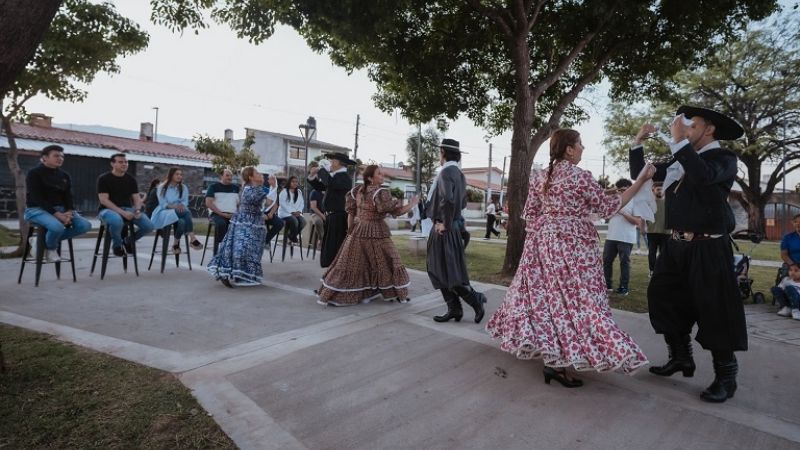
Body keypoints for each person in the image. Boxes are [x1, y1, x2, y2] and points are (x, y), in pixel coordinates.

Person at [486, 129, 653, 387]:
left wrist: (549, 228)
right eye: (581, 144)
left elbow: (530, 212)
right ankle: (559, 363)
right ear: (569, 149)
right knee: (578, 304)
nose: (583, 148)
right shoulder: (580, 176)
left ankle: (555, 362)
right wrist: (641, 181)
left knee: (552, 305)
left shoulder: (541, 175)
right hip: (573, 249)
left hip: (542, 246)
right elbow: (609, 207)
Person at [630, 106, 747, 403]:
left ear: (709, 129)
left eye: (690, 126)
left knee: (714, 309)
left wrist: (679, 141)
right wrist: (637, 142)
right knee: (664, 299)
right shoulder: (682, 160)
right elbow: (641, 175)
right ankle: (681, 357)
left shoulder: (723, 159)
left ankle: (726, 377)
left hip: (708, 247)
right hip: (676, 245)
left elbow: (703, 176)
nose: (683, 131)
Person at [317, 165, 419, 306]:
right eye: (379, 174)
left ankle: (371, 292)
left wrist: (350, 230)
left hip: (358, 230)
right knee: (390, 260)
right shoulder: (380, 193)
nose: (382, 176)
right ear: (370, 178)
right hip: (376, 231)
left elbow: (351, 213)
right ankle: (396, 294)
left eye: (382, 174)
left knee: (356, 263)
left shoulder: (357, 191)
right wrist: (412, 203)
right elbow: (397, 211)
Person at [425, 138, 487, 324]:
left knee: (438, 269)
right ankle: (455, 309)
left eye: (439, 152)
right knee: (445, 270)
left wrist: (444, 222)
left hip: (443, 227)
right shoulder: (458, 173)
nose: (438, 155)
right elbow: (462, 202)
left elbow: (449, 200)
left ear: (443, 152)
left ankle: (473, 300)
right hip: (450, 226)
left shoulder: (445, 172)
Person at [24, 145, 91, 262]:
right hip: (36, 209)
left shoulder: (64, 175)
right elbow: (37, 198)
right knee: (57, 227)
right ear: (45, 157)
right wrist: (58, 215)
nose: (60, 158)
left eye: (62, 156)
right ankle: (51, 248)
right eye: (56, 156)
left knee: (85, 226)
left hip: (62, 209)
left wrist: (69, 211)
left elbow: (68, 196)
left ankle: (40, 241)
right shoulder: (34, 173)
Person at [207, 166, 268, 287]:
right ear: (251, 177)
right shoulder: (249, 189)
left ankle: (243, 275)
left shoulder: (256, 188)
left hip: (254, 223)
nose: (260, 174)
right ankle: (227, 272)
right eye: (257, 173)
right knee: (239, 248)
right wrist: (272, 189)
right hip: (245, 222)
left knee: (251, 250)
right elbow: (263, 200)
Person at [97, 153, 154, 256]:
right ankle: (117, 245)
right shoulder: (104, 178)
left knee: (149, 226)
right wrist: (123, 213)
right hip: (107, 210)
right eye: (120, 162)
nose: (124, 164)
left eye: (126, 162)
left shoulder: (130, 179)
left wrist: (137, 210)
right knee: (116, 220)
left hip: (127, 209)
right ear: (112, 164)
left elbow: (136, 199)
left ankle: (128, 241)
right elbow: (104, 200)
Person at [308, 152, 357, 268]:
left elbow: (330, 183)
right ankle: (331, 276)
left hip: (338, 217)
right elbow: (321, 186)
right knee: (330, 247)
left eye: (332, 161)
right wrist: (312, 176)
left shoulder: (344, 178)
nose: (330, 163)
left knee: (334, 247)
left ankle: (334, 275)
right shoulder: (334, 177)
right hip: (331, 217)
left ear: (337, 163)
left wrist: (321, 170)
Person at [149, 167, 203, 255]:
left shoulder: (183, 187)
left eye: (181, 174)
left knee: (182, 221)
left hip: (180, 211)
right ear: (171, 175)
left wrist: (181, 205)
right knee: (186, 212)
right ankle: (192, 238)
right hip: (164, 212)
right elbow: (163, 204)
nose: (179, 176)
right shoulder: (162, 187)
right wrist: (175, 206)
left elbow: (185, 202)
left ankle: (175, 244)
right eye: (177, 174)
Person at [602, 178, 641, 296]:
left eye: (625, 189)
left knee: (624, 263)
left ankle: (624, 287)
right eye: (620, 189)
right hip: (611, 236)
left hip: (626, 238)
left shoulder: (636, 201)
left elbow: (637, 221)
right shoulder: (613, 201)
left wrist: (622, 212)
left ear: (630, 188)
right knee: (607, 261)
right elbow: (605, 216)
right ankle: (607, 285)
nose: (622, 191)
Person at [205, 169, 240, 255]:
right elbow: (208, 203)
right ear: (221, 176)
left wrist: (235, 214)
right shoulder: (213, 187)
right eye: (227, 175)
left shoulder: (236, 188)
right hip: (216, 214)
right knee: (221, 223)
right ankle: (221, 251)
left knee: (242, 225)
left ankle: (234, 252)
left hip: (232, 215)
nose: (230, 177)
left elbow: (239, 205)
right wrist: (222, 214)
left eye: (231, 176)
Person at [646, 182, 670, 277]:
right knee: (652, 252)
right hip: (652, 232)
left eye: (662, 189)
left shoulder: (669, 203)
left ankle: (662, 271)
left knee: (664, 254)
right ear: (653, 190)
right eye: (658, 189)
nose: (660, 191)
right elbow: (643, 216)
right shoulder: (649, 203)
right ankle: (652, 270)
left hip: (666, 232)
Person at [278, 176, 306, 244]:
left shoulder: (299, 192)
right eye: (293, 181)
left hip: (296, 213)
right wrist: (292, 212)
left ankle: (291, 236)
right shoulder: (284, 192)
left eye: (296, 182)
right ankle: (293, 238)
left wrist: (299, 211)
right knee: (295, 221)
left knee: (303, 222)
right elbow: (282, 204)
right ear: (289, 182)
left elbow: (302, 203)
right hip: (285, 213)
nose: (295, 183)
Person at [262, 174, 284, 247]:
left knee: (280, 223)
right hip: (262, 212)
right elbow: (265, 203)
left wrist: (271, 213)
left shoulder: (278, 190)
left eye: (271, 179)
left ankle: (265, 240)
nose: (269, 180)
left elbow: (276, 203)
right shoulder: (269, 189)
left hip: (269, 212)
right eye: (269, 179)